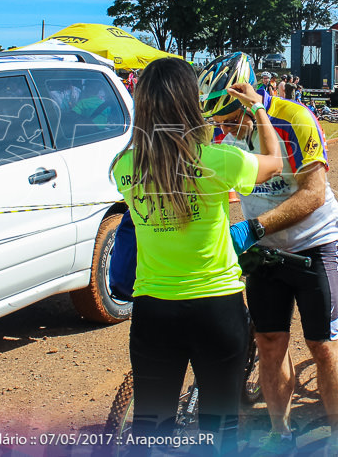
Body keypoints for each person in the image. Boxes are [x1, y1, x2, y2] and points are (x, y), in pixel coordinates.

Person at [112, 57, 282, 453]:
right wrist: (257, 107)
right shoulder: (219, 160)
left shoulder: (123, 166)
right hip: (216, 308)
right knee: (220, 429)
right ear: (192, 102)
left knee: (150, 430)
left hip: (153, 309)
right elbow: (274, 163)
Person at [201, 53, 338, 457]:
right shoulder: (219, 131)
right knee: (269, 341)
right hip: (265, 252)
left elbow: (313, 193)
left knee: (323, 345)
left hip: (313, 243)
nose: (225, 127)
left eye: (232, 116)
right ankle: (279, 430)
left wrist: (255, 227)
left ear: (250, 94)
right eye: (218, 120)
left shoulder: (295, 118)